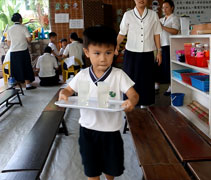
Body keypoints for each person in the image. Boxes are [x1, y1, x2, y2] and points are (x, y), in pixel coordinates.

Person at [59, 26, 139, 180]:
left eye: (108, 53)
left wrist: (131, 101)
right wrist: (64, 93)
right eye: (97, 53)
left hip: (111, 132)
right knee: (91, 169)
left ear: (115, 51)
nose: (103, 58)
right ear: (87, 52)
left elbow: (133, 94)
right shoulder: (82, 75)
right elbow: (68, 89)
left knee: (111, 167)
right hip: (87, 130)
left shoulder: (118, 75)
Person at [116, 0, 162, 108]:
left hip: (147, 54)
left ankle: (145, 106)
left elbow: (156, 34)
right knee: (129, 80)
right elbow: (122, 33)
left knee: (147, 80)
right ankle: (130, 105)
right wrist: (115, 45)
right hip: (131, 54)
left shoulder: (153, 15)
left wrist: (159, 51)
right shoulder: (128, 15)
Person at [155, 0, 180, 96]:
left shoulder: (174, 18)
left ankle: (171, 86)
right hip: (160, 46)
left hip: (170, 45)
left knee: (168, 67)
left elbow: (175, 31)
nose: (164, 9)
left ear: (172, 8)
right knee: (158, 65)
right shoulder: (161, 19)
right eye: (163, 8)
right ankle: (156, 85)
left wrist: (163, 27)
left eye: (166, 7)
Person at [7, 13, 36, 90]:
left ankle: (14, 85)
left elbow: (8, 42)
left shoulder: (10, 29)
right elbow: (29, 39)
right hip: (23, 50)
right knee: (26, 67)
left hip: (13, 52)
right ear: (20, 19)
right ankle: (28, 85)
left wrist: (13, 46)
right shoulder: (23, 28)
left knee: (15, 68)